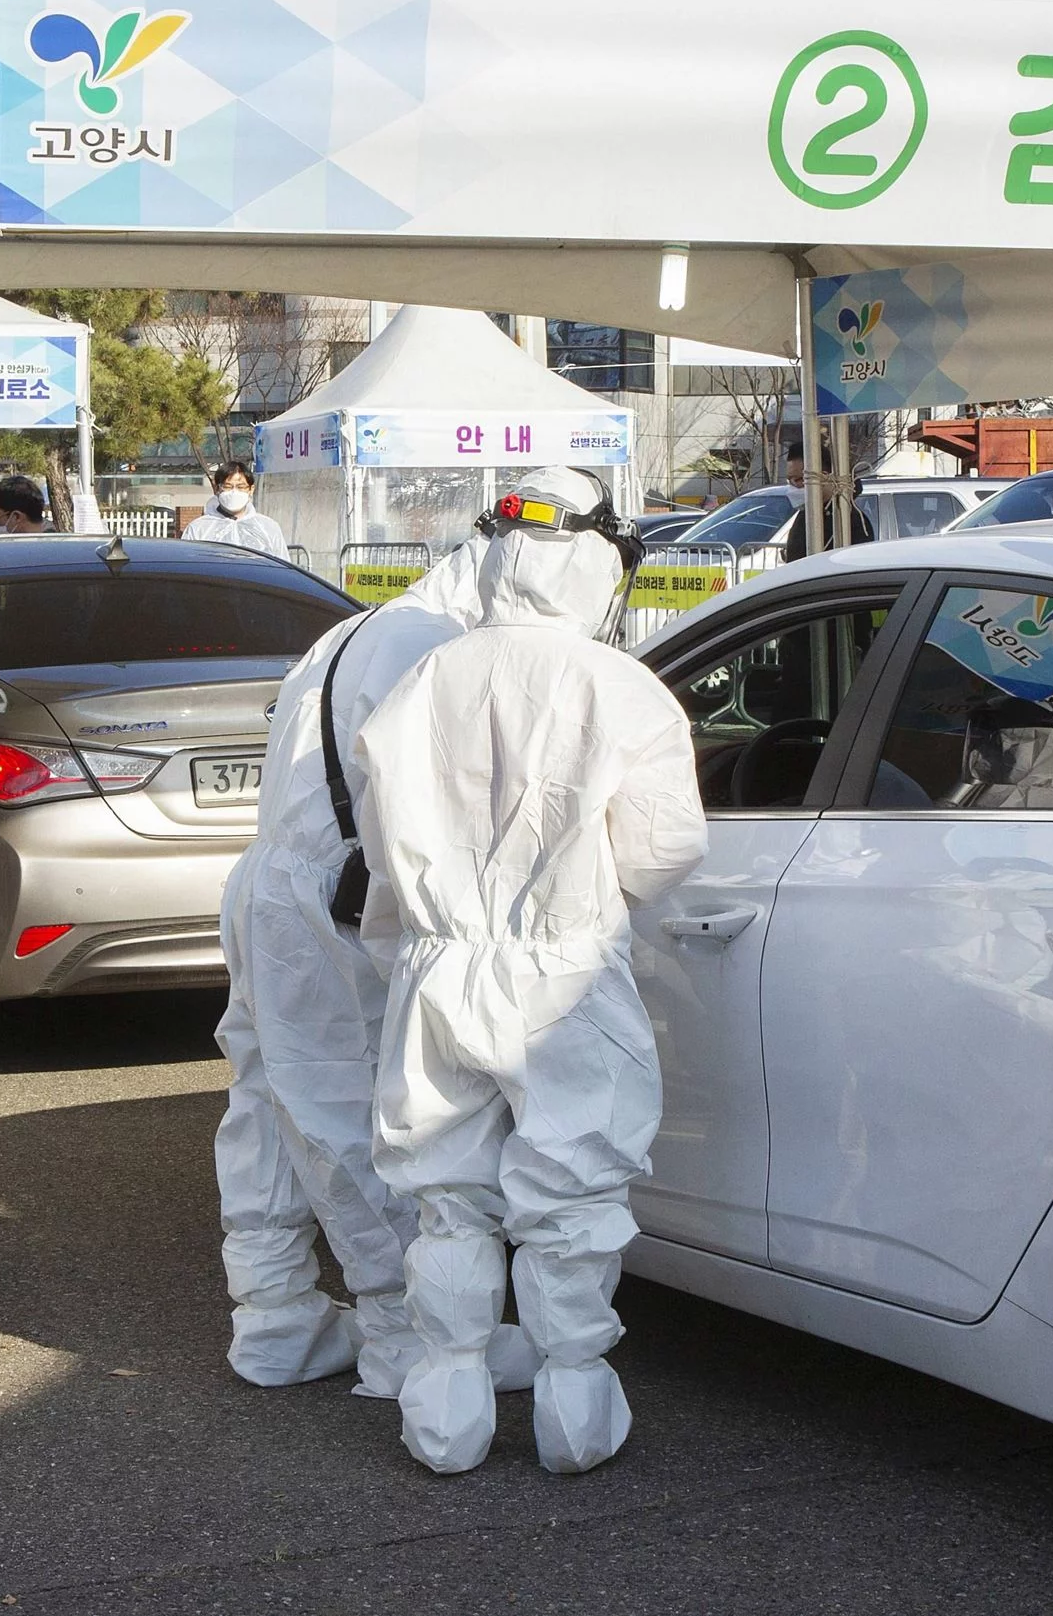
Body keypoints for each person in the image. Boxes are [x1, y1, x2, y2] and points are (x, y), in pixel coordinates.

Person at [355, 466, 707, 1476]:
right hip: (562, 969)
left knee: (446, 1192)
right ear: (595, 558)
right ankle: (573, 1406)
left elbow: (381, 848)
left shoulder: (423, 679)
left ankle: (448, 1410)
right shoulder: (618, 685)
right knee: (572, 1191)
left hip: (437, 967)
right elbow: (663, 849)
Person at [214, 536, 527, 1396]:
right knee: (350, 1115)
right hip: (332, 897)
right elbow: (429, 803)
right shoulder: (431, 643)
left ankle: (275, 1316)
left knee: (270, 1103)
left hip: (270, 885)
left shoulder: (357, 629)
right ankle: (405, 1336)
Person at [183, 462, 290, 559]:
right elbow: (186, 564)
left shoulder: (268, 527)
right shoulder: (199, 528)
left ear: (251, 489)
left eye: (241, 487)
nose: (234, 492)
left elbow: (284, 566)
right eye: (228, 486)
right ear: (217, 489)